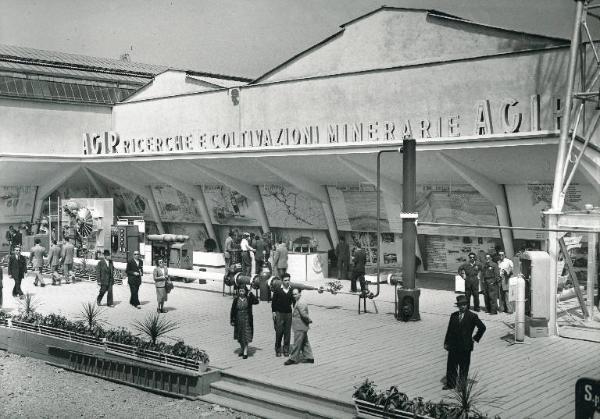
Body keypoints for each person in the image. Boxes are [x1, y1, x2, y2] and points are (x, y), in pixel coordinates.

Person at [443, 295, 486, 390]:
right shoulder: (453, 315)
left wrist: (474, 338)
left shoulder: (472, 316)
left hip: (465, 346)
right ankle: (450, 384)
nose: (462, 307)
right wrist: (446, 342)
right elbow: (449, 330)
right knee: (451, 366)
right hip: (453, 345)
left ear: (467, 305)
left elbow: (482, 327)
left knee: (464, 367)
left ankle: (462, 386)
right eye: (460, 305)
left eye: (464, 305)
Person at [284, 288, 314, 365]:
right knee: (304, 342)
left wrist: (309, 320)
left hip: (300, 326)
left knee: (297, 343)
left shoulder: (300, 303)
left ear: (300, 293)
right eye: (293, 294)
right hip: (301, 325)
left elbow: (304, 315)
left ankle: (293, 359)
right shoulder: (299, 301)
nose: (294, 296)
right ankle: (309, 357)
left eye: (296, 294)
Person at [230, 286, 259, 359]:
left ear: (245, 291)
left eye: (243, 291)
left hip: (247, 318)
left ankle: (245, 351)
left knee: (246, 335)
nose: (241, 292)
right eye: (240, 291)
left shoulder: (248, 299)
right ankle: (242, 349)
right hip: (238, 319)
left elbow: (256, 301)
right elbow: (232, 310)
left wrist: (251, 294)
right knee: (240, 336)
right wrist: (232, 320)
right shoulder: (236, 299)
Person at [272, 273, 294, 357]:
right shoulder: (278, 290)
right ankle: (278, 349)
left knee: (287, 333)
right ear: (282, 281)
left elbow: (294, 302)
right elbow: (273, 302)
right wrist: (274, 312)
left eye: (288, 280)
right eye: (285, 280)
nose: (287, 282)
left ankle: (286, 350)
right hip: (279, 313)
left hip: (288, 313)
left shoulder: (291, 290)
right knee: (279, 331)